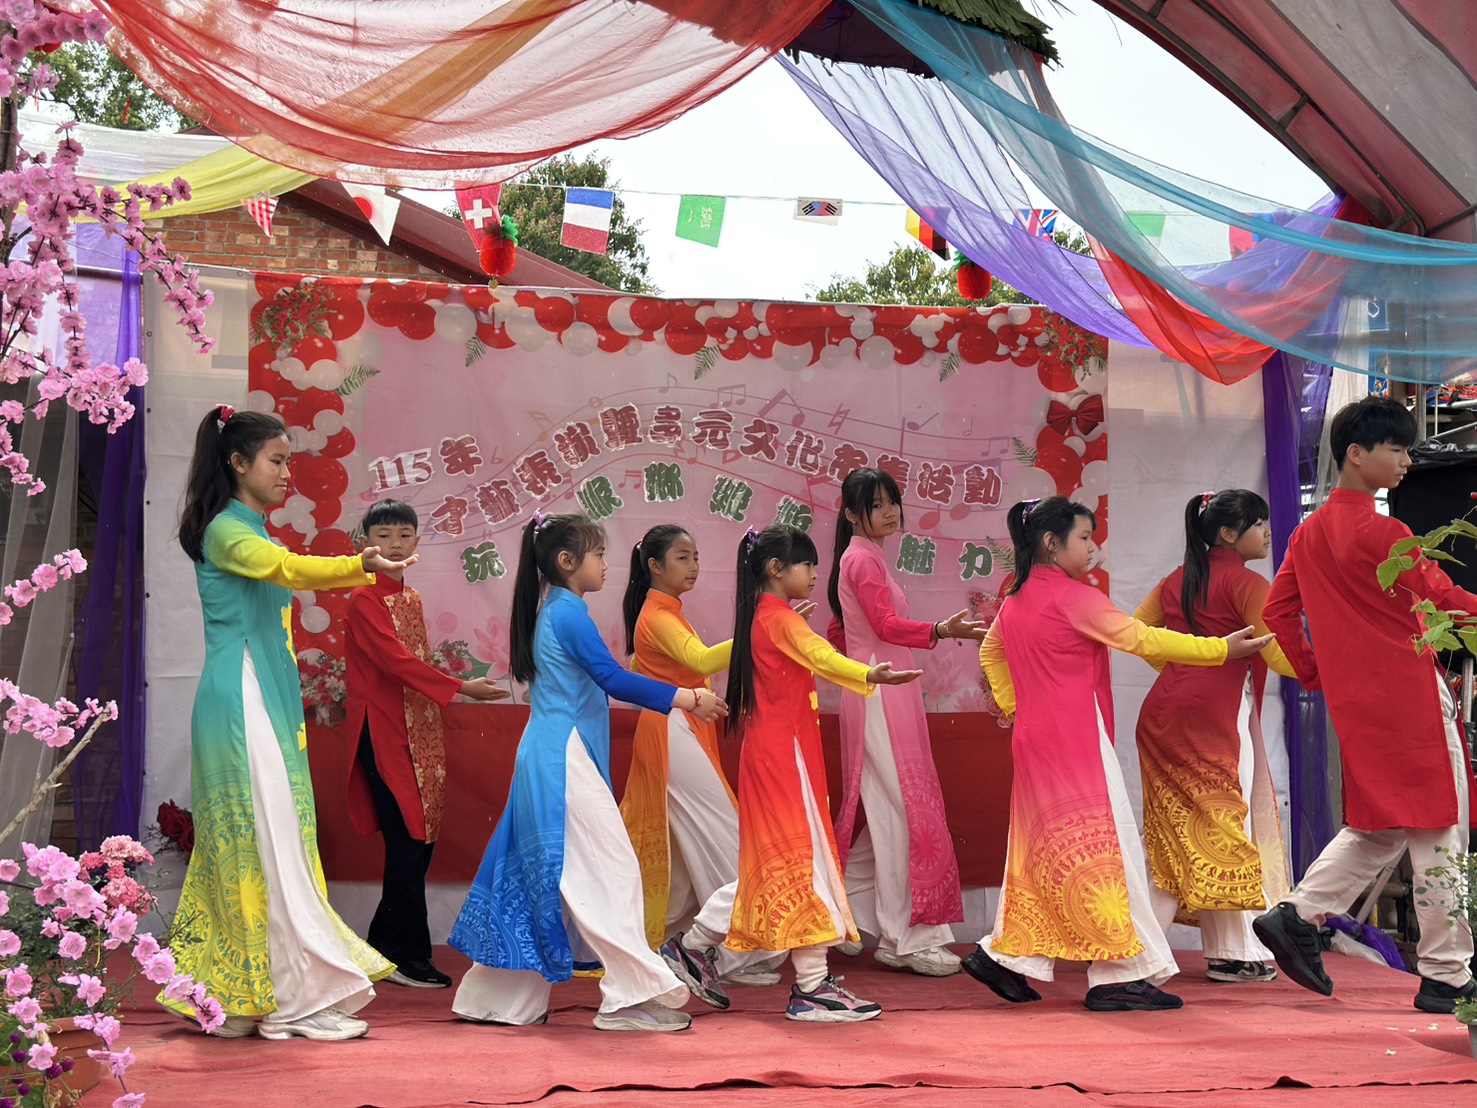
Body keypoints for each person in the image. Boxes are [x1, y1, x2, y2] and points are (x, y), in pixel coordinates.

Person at [963, 496, 1273, 1012]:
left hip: (1036, 740)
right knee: (1111, 850)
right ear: (1052, 543)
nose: (1093, 548)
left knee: (1041, 851)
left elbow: (990, 651)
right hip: (1078, 742)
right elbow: (1142, 639)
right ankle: (1118, 974)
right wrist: (1220, 649)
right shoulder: (1073, 597)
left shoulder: (1018, 597)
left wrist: (1019, 706)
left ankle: (1009, 957)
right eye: (1084, 538)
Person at [170, 405, 410, 1042]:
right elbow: (290, 570)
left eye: (289, 462)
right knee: (268, 847)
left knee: (272, 847)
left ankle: (250, 998)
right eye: (276, 461)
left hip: (259, 699)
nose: (286, 473)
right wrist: (361, 564)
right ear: (237, 463)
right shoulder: (228, 531)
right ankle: (287, 1002)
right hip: (239, 701)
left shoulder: (251, 528)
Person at [448, 512, 727, 1032]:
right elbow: (612, 678)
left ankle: (495, 1000)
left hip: (552, 755)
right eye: (598, 554)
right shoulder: (568, 614)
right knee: (610, 872)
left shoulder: (557, 609)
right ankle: (627, 999)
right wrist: (687, 698)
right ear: (566, 561)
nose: (605, 564)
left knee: (545, 879)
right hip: (561, 760)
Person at [1256, 395, 1477, 1013]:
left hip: (1358, 704)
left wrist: (1317, 673)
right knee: (1440, 830)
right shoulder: (1387, 533)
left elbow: (1277, 612)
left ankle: (1298, 912)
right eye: (1397, 449)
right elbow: (1444, 599)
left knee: (1381, 827)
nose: (1407, 460)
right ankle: (1446, 973)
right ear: (1357, 454)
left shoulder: (1308, 534)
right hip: (1409, 697)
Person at [724, 523, 922, 1023]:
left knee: (785, 864)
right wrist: (868, 672)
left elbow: (813, 653)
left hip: (773, 754)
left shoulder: (765, 615)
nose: (815, 573)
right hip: (782, 759)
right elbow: (822, 655)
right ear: (776, 569)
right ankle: (811, 987)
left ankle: (696, 947)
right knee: (805, 863)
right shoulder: (779, 619)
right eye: (807, 564)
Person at [343, 499, 509, 990]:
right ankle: (408, 954)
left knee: (420, 838)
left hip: (420, 726)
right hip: (384, 729)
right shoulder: (364, 600)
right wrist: (461, 687)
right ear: (365, 543)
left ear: (416, 542)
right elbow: (394, 661)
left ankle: (382, 945)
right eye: (384, 536)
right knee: (408, 839)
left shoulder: (410, 597)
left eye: (403, 536)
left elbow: (410, 662)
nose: (395, 545)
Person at [1133, 490, 1297, 983]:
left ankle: (1232, 951)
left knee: (1184, 831)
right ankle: (1140, 959)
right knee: (1220, 829)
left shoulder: (1177, 579)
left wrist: (1180, 669)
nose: (1267, 531)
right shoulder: (1248, 583)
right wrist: (1333, 670)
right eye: (1258, 523)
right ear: (1228, 533)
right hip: (1214, 719)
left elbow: (1139, 631)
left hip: (1163, 713)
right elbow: (1277, 653)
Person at [826, 468, 984, 977]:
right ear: (852, 514)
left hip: (884, 687)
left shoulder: (863, 557)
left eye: (892, 501)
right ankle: (904, 939)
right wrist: (940, 629)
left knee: (890, 807)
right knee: (901, 813)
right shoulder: (862, 560)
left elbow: (848, 630)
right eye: (876, 505)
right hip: (881, 689)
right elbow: (886, 625)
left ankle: (843, 911)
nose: (890, 512)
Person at [618, 525, 784, 1007]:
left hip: (679, 731)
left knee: (688, 856)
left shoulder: (668, 612)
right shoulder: (657, 615)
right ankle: (729, 949)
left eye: (695, 557)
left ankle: (708, 948)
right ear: (654, 565)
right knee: (730, 837)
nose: (693, 566)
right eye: (683, 557)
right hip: (670, 734)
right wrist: (759, 626)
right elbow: (704, 660)